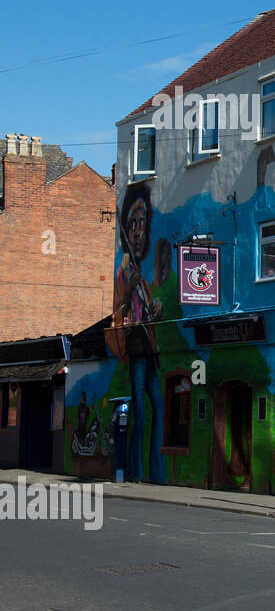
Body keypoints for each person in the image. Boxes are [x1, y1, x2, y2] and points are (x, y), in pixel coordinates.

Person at [107, 183, 165, 483]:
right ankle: (135, 472)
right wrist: (128, 291)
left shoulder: (143, 277)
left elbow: (151, 309)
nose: (139, 232)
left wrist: (157, 309)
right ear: (127, 231)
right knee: (139, 414)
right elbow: (117, 314)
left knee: (159, 407)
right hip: (135, 350)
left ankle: (156, 472)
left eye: (144, 224)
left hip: (151, 349)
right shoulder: (124, 273)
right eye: (134, 225)